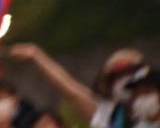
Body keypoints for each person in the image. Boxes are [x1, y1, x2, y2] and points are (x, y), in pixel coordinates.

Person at [8, 44, 145, 128]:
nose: (126, 82)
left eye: (131, 74)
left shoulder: (153, 106)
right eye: (117, 78)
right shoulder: (111, 117)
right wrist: (36, 55)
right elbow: (69, 88)